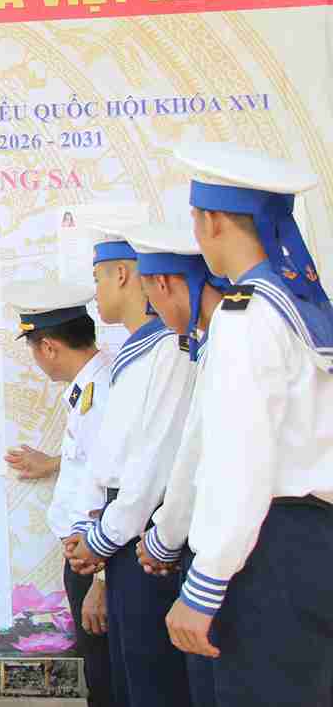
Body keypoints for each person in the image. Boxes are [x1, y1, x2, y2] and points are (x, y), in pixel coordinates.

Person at [150, 142, 333, 707]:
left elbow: (239, 460)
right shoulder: (300, 304)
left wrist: (205, 585)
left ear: (210, 221)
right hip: (312, 538)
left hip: (267, 549)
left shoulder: (245, 317)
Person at [66, 228, 213, 707]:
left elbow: (152, 466)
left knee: (154, 683)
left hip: (146, 535)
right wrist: (93, 530)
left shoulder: (169, 350)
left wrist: (101, 540)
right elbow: (114, 459)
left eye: (98, 277)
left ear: (123, 275)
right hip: (123, 530)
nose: (95, 291)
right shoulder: (137, 353)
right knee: (130, 681)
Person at [117, 223, 226, 707]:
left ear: (161, 283)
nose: (154, 312)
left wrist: (163, 538)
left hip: (224, 547)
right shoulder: (225, 336)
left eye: (150, 296)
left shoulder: (226, 342)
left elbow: (195, 456)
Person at [5, 280, 113, 707]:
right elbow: (93, 461)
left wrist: (102, 582)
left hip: (97, 558)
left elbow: (119, 485)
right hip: (88, 554)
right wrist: (53, 463)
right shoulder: (92, 384)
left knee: (108, 680)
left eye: (34, 350)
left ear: (48, 347)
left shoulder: (102, 392)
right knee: (102, 674)